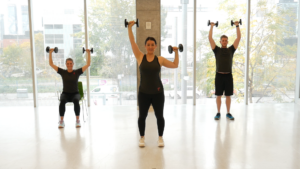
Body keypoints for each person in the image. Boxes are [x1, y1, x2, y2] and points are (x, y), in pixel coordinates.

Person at [127, 21, 179, 147]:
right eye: (148, 44)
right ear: (145, 46)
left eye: (152, 45)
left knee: (159, 116)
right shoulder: (140, 56)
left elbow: (175, 65)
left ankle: (160, 138)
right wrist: (129, 27)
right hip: (143, 93)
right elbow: (133, 42)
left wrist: (176, 52)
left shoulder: (159, 59)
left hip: (158, 93)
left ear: (155, 46)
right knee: (142, 117)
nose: (150, 46)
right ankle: (142, 138)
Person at [49, 48, 91, 128]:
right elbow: (51, 64)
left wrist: (88, 53)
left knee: (76, 100)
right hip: (65, 94)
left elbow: (88, 64)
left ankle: (77, 121)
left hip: (75, 94)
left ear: (73, 64)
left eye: (70, 63)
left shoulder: (77, 72)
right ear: (66, 64)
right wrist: (50, 52)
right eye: (67, 63)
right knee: (62, 101)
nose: (69, 65)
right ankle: (61, 121)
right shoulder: (63, 72)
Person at [208, 20, 241, 120]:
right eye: (223, 40)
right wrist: (212, 26)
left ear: (227, 42)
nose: (224, 42)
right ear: (220, 41)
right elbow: (210, 38)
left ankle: (228, 113)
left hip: (228, 76)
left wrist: (237, 25)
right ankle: (218, 113)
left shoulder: (231, 49)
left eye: (226, 40)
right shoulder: (216, 50)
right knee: (218, 95)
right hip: (219, 75)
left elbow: (238, 38)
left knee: (228, 96)